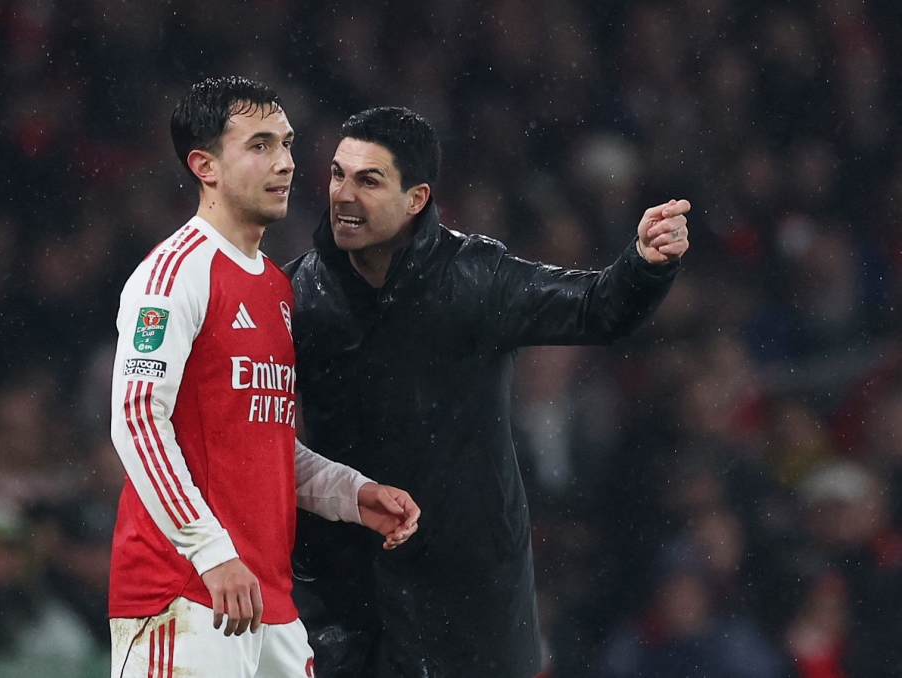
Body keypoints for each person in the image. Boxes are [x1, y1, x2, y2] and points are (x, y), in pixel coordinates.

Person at [284, 106, 690, 677]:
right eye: (336, 175)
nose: (343, 195)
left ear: (416, 198)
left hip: (469, 593)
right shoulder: (297, 293)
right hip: (347, 599)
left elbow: (595, 309)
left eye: (368, 180)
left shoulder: (474, 278)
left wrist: (644, 264)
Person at [108, 79, 420, 678]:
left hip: (266, 604)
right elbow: (137, 421)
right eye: (259, 145)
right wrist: (211, 552)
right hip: (185, 597)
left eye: (287, 142)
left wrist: (352, 493)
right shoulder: (173, 275)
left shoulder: (276, 286)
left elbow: (264, 441)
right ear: (205, 166)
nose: (285, 162)